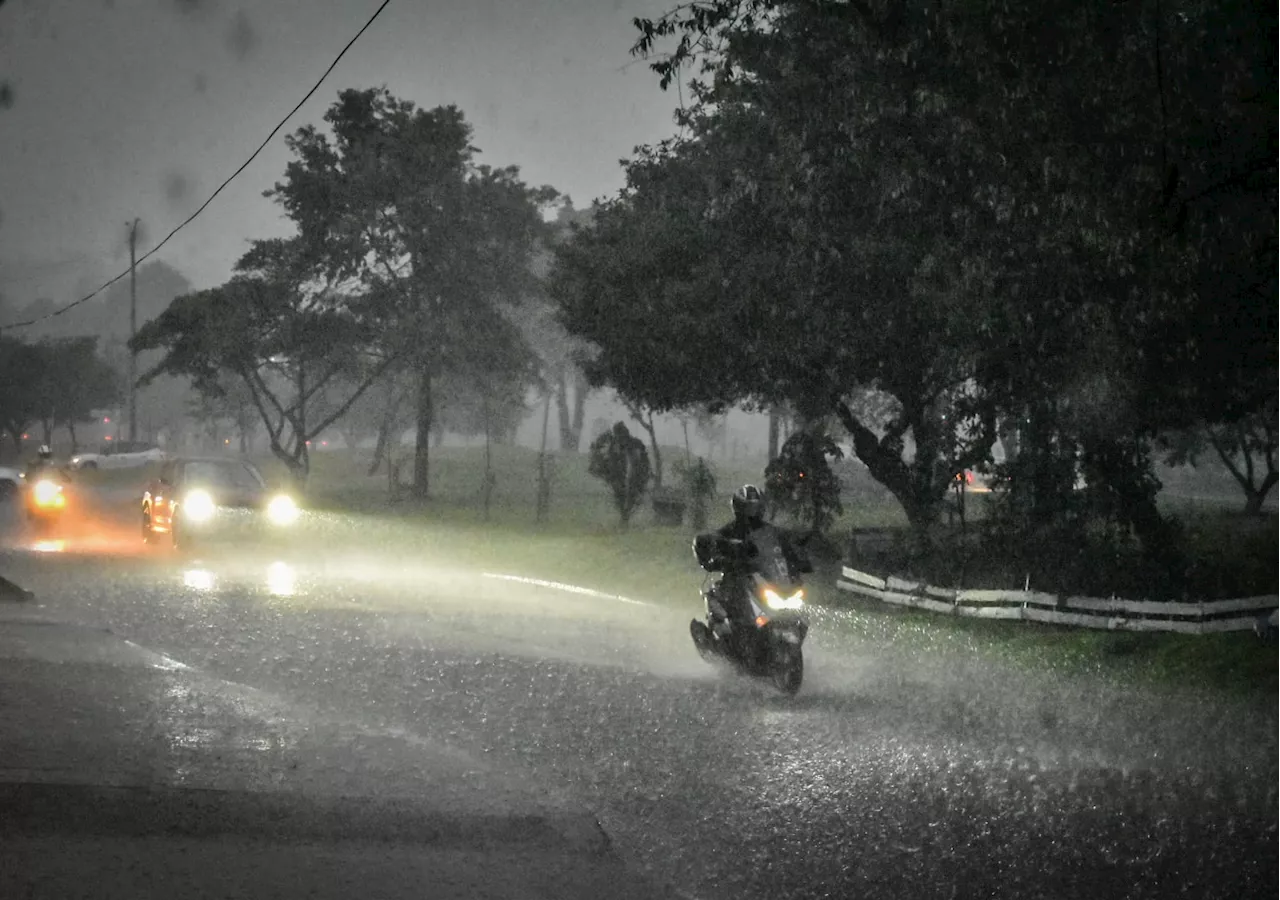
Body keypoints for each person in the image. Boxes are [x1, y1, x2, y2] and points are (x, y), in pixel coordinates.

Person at [706, 484, 812, 628]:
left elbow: (788, 546)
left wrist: (799, 561)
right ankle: (730, 632)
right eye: (748, 508)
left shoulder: (772, 531)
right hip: (738, 579)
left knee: (800, 613)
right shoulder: (729, 531)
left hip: (766, 579)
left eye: (755, 508)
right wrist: (717, 557)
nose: (752, 513)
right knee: (734, 601)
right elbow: (711, 545)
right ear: (739, 508)